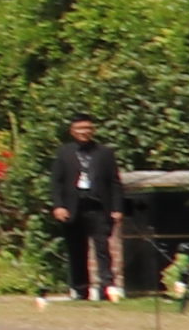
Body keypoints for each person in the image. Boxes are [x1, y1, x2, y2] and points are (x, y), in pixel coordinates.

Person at [48, 114, 129, 304]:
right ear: (72, 131)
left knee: (103, 247)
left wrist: (117, 208)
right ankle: (79, 288)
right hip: (73, 207)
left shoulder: (105, 153)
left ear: (93, 130)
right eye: (80, 129)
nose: (84, 132)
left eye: (88, 128)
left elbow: (115, 183)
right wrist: (58, 205)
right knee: (76, 249)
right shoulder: (64, 153)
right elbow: (56, 183)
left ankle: (106, 287)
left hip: (98, 207)